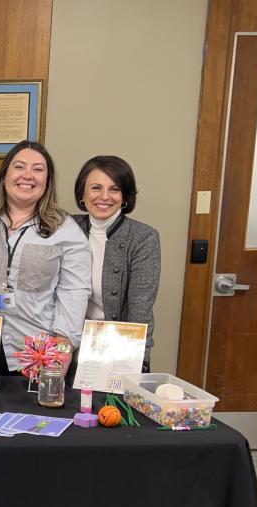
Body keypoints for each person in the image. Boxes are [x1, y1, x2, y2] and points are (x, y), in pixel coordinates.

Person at [0, 140, 91, 375]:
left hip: (36, 354)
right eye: (19, 167)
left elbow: (74, 292)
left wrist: (62, 350)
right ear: (4, 175)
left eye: (38, 169)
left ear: (47, 181)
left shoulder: (66, 230)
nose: (28, 175)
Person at [72, 155, 161, 370]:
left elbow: (140, 310)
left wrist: (137, 361)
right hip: (70, 345)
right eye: (95, 188)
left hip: (117, 349)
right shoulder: (67, 227)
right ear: (82, 194)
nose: (104, 197)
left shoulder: (143, 237)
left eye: (114, 189)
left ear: (125, 197)